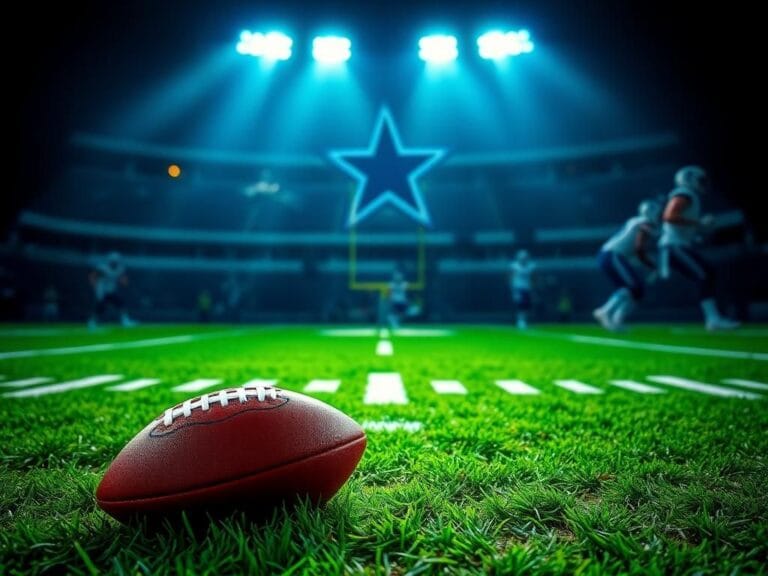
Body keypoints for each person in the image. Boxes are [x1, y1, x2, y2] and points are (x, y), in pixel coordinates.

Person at [658, 165, 739, 331]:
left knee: (707, 273)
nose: (703, 183)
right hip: (673, 245)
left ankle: (713, 317)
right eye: (700, 180)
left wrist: (698, 230)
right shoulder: (685, 193)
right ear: (689, 179)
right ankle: (713, 319)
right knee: (704, 274)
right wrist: (699, 223)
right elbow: (669, 216)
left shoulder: (690, 196)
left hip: (677, 244)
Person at [593, 200, 661, 331]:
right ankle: (605, 311)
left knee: (637, 291)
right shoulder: (644, 224)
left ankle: (617, 320)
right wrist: (651, 265)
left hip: (609, 255)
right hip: (612, 255)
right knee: (632, 287)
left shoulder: (635, 221)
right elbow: (639, 248)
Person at [88, 252, 136, 329]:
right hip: (102, 290)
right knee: (100, 307)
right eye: (113, 261)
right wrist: (94, 284)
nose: (114, 263)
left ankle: (125, 320)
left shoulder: (119, 269)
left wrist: (124, 281)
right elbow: (93, 275)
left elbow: (123, 279)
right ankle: (92, 322)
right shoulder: (103, 268)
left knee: (120, 304)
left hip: (111, 290)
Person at [509, 249, 535, 329]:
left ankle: (524, 321)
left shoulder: (531, 266)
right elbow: (511, 278)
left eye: (525, 258)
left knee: (526, 306)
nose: (523, 259)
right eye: (522, 258)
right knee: (520, 306)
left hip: (527, 288)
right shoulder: (515, 266)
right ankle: (520, 321)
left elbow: (533, 278)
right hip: (518, 288)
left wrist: (533, 289)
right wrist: (513, 290)